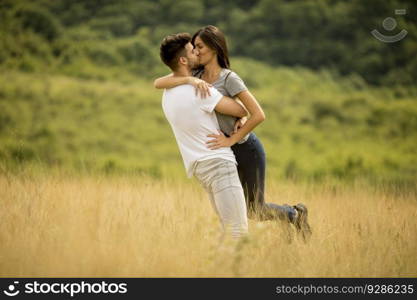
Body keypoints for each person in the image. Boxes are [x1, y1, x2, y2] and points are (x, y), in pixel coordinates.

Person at [155, 25, 311, 241]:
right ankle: (287, 217)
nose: (197, 51)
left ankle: (294, 214)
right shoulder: (196, 74)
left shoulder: (229, 78)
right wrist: (189, 79)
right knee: (246, 212)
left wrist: (232, 138)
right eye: (194, 47)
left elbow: (257, 114)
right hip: (221, 150)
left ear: (214, 48)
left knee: (254, 209)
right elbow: (159, 82)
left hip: (245, 148)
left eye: (200, 46)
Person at [159, 32, 249, 239]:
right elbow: (241, 110)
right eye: (193, 50)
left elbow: (159, 82)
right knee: (237, 231)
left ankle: (221, 269)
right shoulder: (201, 91)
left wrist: (189, 79)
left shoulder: (167, 94)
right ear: (183, 60)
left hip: (199, 167)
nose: (197, 53)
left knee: (228, 229)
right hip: (219, 164)